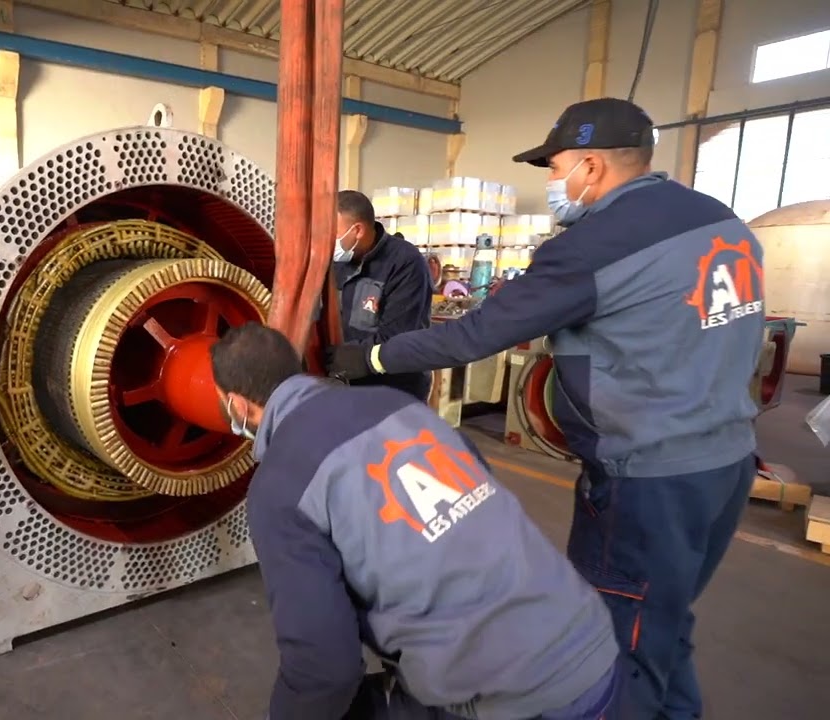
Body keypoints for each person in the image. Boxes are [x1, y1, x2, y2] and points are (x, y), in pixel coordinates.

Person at [325, 97, 765, 720]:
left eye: (554, 168)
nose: (552, 183)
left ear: (591, 167)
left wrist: (369, 360)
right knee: (663, 620)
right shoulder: (721, 221)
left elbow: (473, 335)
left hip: (649, 480)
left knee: (614, 647)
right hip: (728, 464)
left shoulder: (595, 244)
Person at [211, 321, 620, 720]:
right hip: (593, 647)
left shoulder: (279, 483)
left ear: (238, 405)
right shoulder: (401, 406)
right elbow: (480, 490)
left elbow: (323, 669)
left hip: (512, 699)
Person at [327, 190, 434, 402]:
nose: (327, 240)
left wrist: (345, 357)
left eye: (332, 232)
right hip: (348, 383)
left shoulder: (406, 264)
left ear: (357, 230)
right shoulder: (337, 264)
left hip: (395, 390)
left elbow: (397, 338)